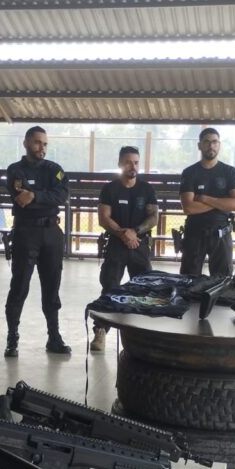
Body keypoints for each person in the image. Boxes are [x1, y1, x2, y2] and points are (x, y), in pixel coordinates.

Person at [4, 125, 71, 356]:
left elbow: (62, 195)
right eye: (37, 142)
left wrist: (35, 195)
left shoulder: (55, 169)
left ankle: (54, 337)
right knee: (20, 285)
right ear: (26, 143)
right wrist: (41, 197)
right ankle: (12, 338)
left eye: (45, 143)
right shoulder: (15, 170)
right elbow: (20, 199)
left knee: (52, 287)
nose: (41, 147)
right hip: (25, 233)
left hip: (51, 233)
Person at [90, 146, 159, 353]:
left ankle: (142, 335)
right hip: (116, 245)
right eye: (129, 162)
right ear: (120, 164)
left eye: (136, 162)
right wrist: (123, 233)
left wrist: (134, 232)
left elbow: (153, 217)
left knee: (144, 290)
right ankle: (101, 332)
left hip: (140, 244)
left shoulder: (146, 189)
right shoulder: (110, 189)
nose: (133, 166)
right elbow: (104, 218)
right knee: (110, 288)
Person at [178, 127, 235, 276]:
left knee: (222, 283)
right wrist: (220, 204)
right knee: (188, 281)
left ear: (219, 145)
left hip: (222, 233)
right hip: (194, 233)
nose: (211, 146)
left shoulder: (229, 172)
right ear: (199, 145)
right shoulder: (190, 172)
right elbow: (188, 208)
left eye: (214, 142)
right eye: (206, 142)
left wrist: (205, 198)